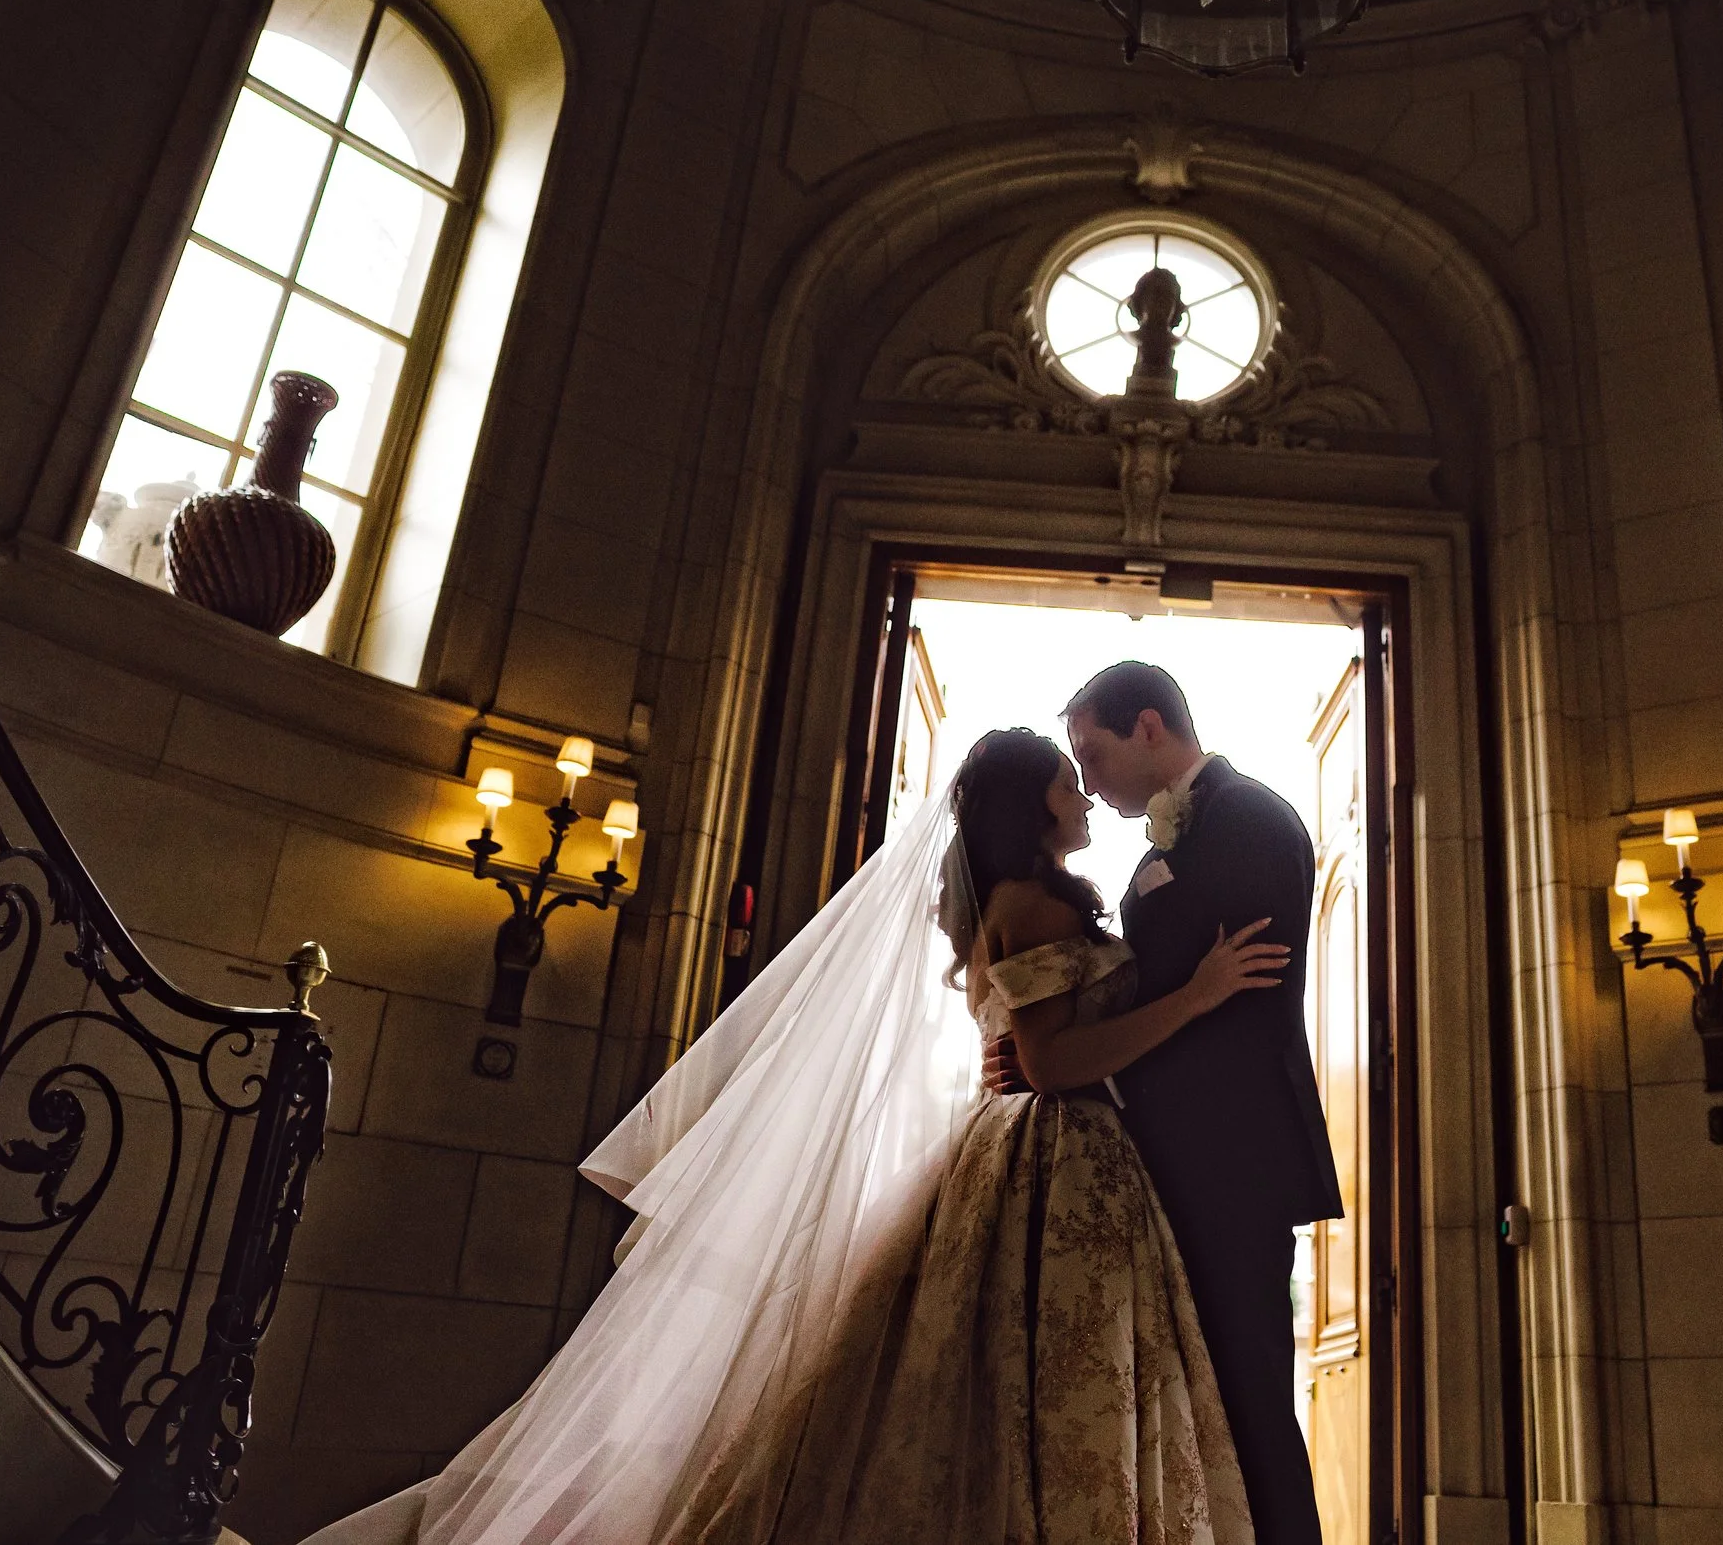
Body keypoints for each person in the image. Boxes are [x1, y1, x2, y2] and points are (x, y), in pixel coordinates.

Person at [299, 728, 1285, 1545]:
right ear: (1030, 805)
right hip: (1052, 1150)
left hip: (1053, 1154)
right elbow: (1054, 1062)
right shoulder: (1026, 905)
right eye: (1066, 781)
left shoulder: (1026, 900)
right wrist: (1199, 996)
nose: (1082, 795)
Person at [990, 661, 1342, 1545]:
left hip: (1228, 1164)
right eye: (1073, 766)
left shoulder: (1253, 819)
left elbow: (1234, 1013)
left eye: (1094, 753)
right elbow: (1129, 994)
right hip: (1154, 1170)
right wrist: (1044, 1053)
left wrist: (1066, 1061)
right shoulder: (1153, 855)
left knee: (1251, 1396)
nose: (1089, 780)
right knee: (1194, 1407)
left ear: (1149, 727)